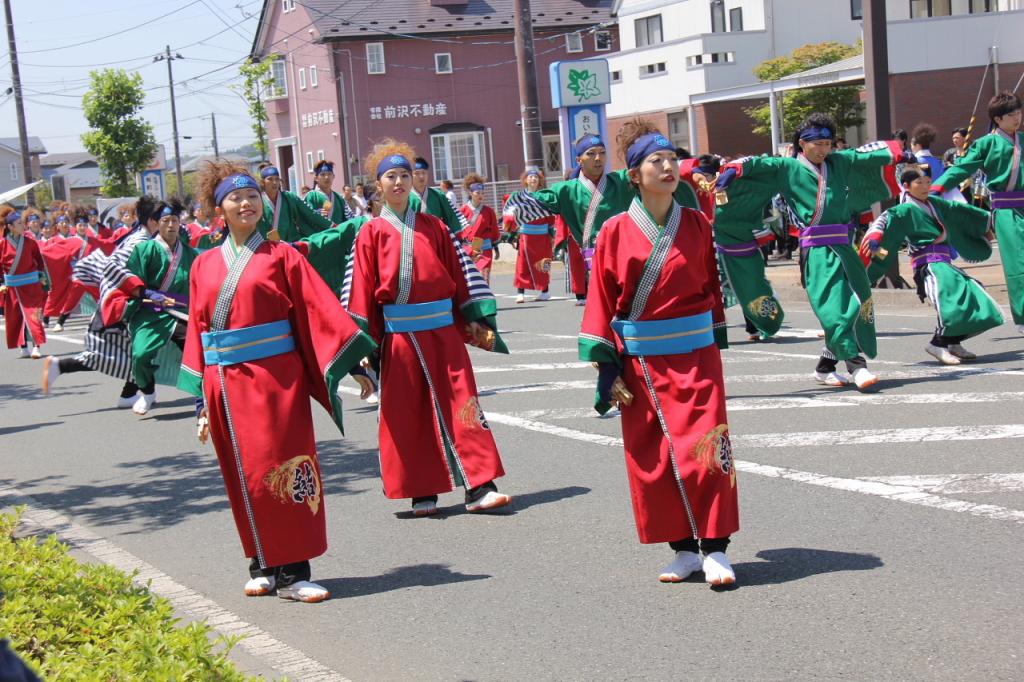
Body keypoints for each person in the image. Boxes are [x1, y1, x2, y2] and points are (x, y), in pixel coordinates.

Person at [178, 160, 376, 603]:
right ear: (219, 209)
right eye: (235, 198)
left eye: (252, 196)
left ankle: (295, 571)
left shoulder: (283, 256)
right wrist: (201, 401)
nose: (246, 203)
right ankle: (262, 563)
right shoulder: (203, 265)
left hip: (277, 382)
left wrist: (353, 364)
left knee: (286, 466)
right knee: (244, 473)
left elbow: (318, 313)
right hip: (225, 383)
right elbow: (198, 330)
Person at [578, 118, 737, 586]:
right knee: (654, 458)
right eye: (656, 161)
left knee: (707, 446)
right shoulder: (614, 230)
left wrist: (716, 338)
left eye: (672, 159)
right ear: (634, 175)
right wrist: (608, 369)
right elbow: (601, 301)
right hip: (642, 362)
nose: (669, 167)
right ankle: (683, 549)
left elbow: (711, 289)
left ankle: (716, 547)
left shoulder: (698, 223)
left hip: (696, 357)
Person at [342, 139, 512, 517]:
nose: (399, 182)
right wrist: (364, 349)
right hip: (400, 338)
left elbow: (461, 275)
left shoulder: (435, 227)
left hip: (443, 334)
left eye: (405, 175)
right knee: (409, 413)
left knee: (462, 402)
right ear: (379, 185)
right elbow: (359, 292)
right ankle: (422, 490)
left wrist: (474, 319)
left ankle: (480, 485)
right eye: (391, 176)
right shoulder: (370, 233)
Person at [717, 113, 911, 389]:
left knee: (859, 300)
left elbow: (865, 154)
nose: (823, 150)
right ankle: (857, 366)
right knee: (837, 308)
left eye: (827, 144)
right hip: (817, 250)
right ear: (802, 143)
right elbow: (758, 163)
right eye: (817, 144)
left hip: (844, 247)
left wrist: (898, 153)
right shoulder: (786, 167)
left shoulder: (838, 162)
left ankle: (825, 366)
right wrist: (734, 170)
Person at [504, 135, 700, 306]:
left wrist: (694, 171)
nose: (598, 158)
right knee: (604, 317)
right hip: (594, 263)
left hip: (627, 258)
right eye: (591, 154)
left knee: (636, 307)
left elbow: (652, 169)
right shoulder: (566, 190)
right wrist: (511, 212)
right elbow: (533, 201)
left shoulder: (621, 181)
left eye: (602, 153)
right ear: (579, 160)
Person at [861, 167, 1002, 364]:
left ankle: (953, 341)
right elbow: (884, 220)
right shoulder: (905, 209)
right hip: (929, 265)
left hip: (944, 264)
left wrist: (988, 221)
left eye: (928, 182)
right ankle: (938, 343)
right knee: (951, 304)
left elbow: (961, 211)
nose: (925, 186)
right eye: (919, 183)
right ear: (906, 186)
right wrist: (876, 238)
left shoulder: (935, 203)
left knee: (974, 295)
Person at [931, 91, 1024, 334]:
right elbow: (961, 169)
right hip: (1007, 211)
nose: (1017, 117)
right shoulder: (986, 144)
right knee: (1018, 263)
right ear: (997, 119)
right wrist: (937, 188)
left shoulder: (1023, 140)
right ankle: (1023, 318)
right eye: (1011, 114)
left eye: (1019, 112)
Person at [102, 199, 198, 415]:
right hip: (150, 311)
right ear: (157, 223)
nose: (171, 225)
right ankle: (147, 392)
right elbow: (129, 278)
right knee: (141, 354)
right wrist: (145, 293)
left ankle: (204, 393)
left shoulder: (190, 254)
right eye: (166, 220)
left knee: (196, 349)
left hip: (181, 312)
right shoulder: (144, 249)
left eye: (175, 220)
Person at [1, 207, 47, 359]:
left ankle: (37, 346)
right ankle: (23, 346)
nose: (23, 225)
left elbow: (39, 260)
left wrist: (41, 275)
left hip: (31, 285)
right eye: (19, 223)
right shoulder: (2, 244)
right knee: (17, 317)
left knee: (34, 315)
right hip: (13, 287)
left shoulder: (30, 242)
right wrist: (1, 283)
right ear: (10, 227)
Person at [506, 167, 554, 303]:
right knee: (522, 264)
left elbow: (551, 218)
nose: (533, 179)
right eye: (531, 177)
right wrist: (511, 235)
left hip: (543, 236)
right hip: (526, 235)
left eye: (536, 177)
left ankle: (545, 291)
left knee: (544, 263)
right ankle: (520, 292)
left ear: (539, 181)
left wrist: (552, 235)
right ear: (526, 180)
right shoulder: (519, 197)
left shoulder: (544, 196)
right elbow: (513, 216)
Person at [259, 164, 333, 242]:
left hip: (291, 243)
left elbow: (310, 213)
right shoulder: (259, 201)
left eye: (277, 179)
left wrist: (332, 226)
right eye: (270, 179)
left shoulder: (289, 197)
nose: (274, 182)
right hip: (269, 245)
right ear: (263, 182)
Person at [458, 173, 500, 283]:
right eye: (477, 193)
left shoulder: (489, 211)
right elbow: (458, 231)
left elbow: (494, 230)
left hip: (485, 249)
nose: (480, 195)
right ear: (470, 193)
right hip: (469, 250)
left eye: (482, 193)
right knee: (471, 280)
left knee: (485, 278)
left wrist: (496, 247)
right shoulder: (462, 211)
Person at [409, 157, 469, 235]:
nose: (421, 176)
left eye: (424, 172)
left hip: (437, 237)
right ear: (410, 175)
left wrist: (458, 235)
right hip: (415, 238)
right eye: (417, 173)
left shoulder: (438, 195)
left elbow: (450, 216)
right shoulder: (405, 197)